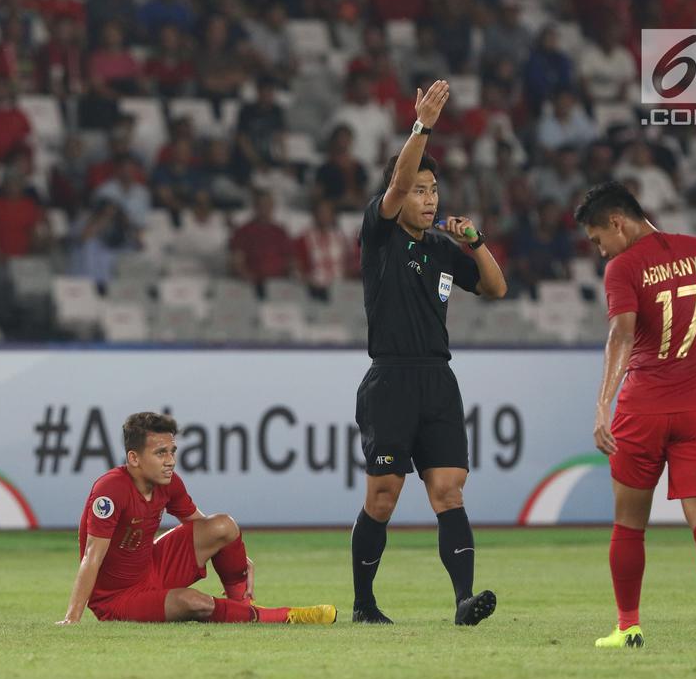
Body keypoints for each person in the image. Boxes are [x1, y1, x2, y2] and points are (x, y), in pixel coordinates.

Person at [350, 80, 507, 627]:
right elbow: (394, 184)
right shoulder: (381, 232)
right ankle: (364, 604)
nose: (428, 198)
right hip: (389, 380)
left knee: (448, 491)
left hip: (438, 381)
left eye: (433, 189)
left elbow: (495, 290)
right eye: (419, 189)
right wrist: (421, 125)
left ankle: (463, 602)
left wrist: (477, 241)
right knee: (384, 498)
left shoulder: (443, 247)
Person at [579, 181, 696, 651]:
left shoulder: (622, 267)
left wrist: (602, 404)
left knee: (629, 523)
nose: (598, 249)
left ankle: (628, 625)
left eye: (596, 239)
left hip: (643, 410)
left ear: (617, 222)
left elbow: (621, 337)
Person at [58, 412, 336, 625]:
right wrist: (72, 618)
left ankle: (243, 602)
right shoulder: (110, 490)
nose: (170, 460)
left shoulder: (169, 482)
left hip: (153, 567)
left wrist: (235, 550)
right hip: (119, 598)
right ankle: (281, 616)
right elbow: (92, 557)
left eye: (172, 451)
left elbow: (206, 527)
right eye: (160, 453)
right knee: (195, 603)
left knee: (225, 525)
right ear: (134, 458)